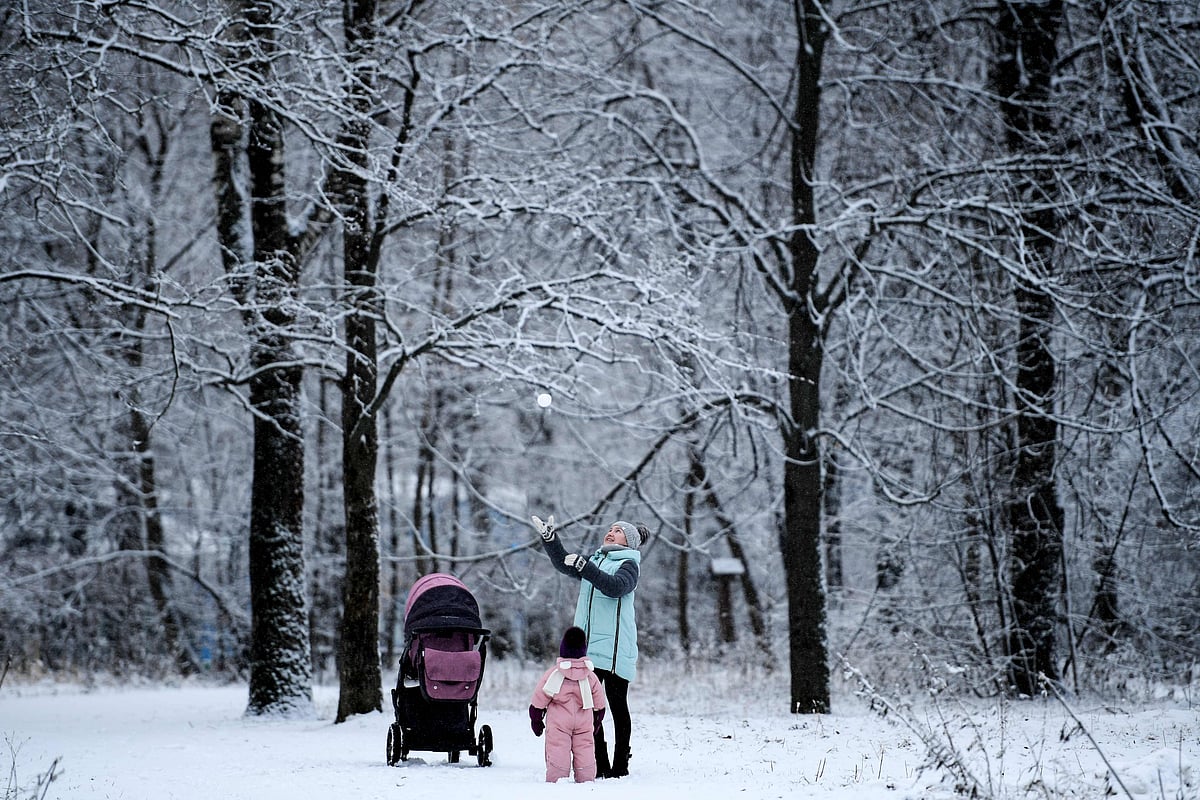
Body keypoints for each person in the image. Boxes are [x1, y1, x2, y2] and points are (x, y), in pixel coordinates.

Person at [530, 515, 648, 778]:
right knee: (589, 706)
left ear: (628, 541)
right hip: (590, 650)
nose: (610, 533)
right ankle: (600, 763)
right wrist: (551, 539)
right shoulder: (596, 560)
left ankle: (620, 763)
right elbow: (564, 563)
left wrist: (585, 567)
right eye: (610, 529)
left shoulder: (629, 564)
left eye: (618, 531)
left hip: (616, 650)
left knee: (617, 705)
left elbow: (615, 588)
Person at [528, 626, 608, 783]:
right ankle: (586, 778)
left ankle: (558, 779)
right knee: (585, 748)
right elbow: (599, 701)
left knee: (558, 748)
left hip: (559, 722)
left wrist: (536, 719)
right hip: (584, 722)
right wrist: (597, 719)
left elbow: (540, 697)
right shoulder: (590, 676)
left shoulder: (554, 674)